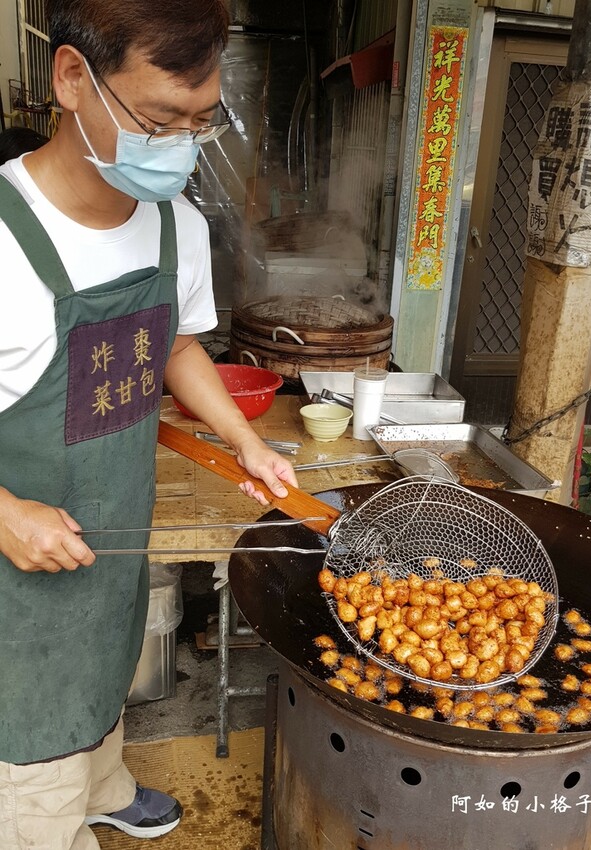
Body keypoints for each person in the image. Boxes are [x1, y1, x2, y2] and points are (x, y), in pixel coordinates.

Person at [0, 1, 298, 848]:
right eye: (160, 119)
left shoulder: (177, 225)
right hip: (12, 567)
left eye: (200, 125)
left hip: (111, 524)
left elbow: (175, 346)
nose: (177, 146)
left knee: (103, 663)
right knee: (26, 735)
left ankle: (100, 783)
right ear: (70, 78)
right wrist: (4, 511)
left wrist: (244, 440)